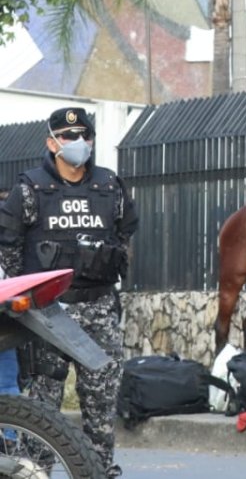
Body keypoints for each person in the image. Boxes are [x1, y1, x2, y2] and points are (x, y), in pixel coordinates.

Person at [0, 107, 138, 478]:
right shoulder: (29, 189)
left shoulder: (111, 187)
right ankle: (33, 473)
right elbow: (9, 249)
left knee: (101, 405)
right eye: (67, 136)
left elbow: (123, 240)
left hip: (99, 310)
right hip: (48, 314)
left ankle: (97, 471)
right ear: (51, 142)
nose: (78, 143)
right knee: (42, 408)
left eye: (84, 136)